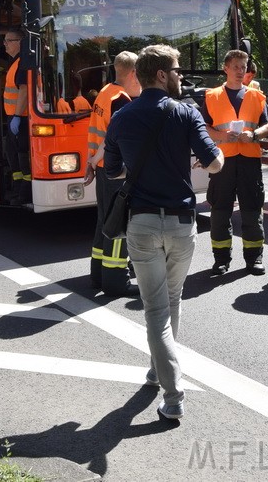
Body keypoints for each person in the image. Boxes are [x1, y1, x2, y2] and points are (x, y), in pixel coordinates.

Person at [104, 44, 223, 420]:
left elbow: (113, 171)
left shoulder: (122, 116)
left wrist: (139, 165)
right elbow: (215, 164)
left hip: (140, 224)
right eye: (176, 69)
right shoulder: (186, 112)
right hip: (180, 223)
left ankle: (164, 382)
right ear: (160, 74)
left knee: (156, 308)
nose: (181, 75)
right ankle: (170, 390)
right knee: (171, 301)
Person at [201, 50, 268, 275]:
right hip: (223, 162)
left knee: (252, 210)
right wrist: (222, 137)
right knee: (220, 211)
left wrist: (254, 135)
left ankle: (254, 259)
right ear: (226, 68)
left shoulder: (256, 96)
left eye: (244, 67)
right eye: (236, 67)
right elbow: (204, 128)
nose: (241, 71)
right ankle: (221, 259)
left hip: (249, 161)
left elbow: (267, 126)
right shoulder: (211, 96)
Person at [84, 51, 141, 297]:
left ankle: (98, 274)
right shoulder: (121, 100)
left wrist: (92, 161)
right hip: (115, 169)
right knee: (118, 224)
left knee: (104, 222)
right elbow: (114, 135)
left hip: (102, 167)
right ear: (133, 73)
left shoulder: (106, 92)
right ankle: (116, 280)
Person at [2, 27, 31, 205]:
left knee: (21, 155)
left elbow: (24, 90)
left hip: (20, 118)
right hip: (14, 118)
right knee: (13, 154)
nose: (4, 44)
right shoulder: (15, 62)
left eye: (8, 40)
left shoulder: (21, 63)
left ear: (19, 42)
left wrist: (18, 116)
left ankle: (24, 194)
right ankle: (17, 189)